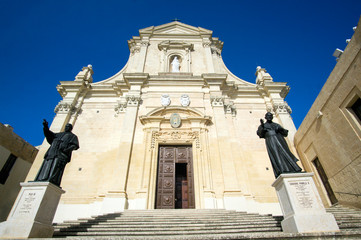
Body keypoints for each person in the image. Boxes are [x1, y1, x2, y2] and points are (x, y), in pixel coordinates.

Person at [34, 119, 79, 186]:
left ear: (71, 128)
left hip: (61, 155)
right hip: (52, 153)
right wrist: (46, 127)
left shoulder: (73, 136)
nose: (66, 128)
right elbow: (49, 134)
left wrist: (66, 150)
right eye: (66, 126)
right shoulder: (58, 135)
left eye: (68, 127)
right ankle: (42, 178)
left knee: (56, 168)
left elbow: (75, 145)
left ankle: (52, 180)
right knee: (46, 166)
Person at [257, 112, 302, 178]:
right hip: (271, 141)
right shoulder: (262, 126)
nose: (269, 117)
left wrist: (280, 129)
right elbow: (260, 134)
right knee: (276, 155)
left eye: (271, 116)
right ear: (265, 117)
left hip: (280, 140)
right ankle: (281, 170)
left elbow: (285, 133)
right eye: (268, 116)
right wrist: (263, 128)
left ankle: (295, 168)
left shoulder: (276, 125)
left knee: (285, 153)